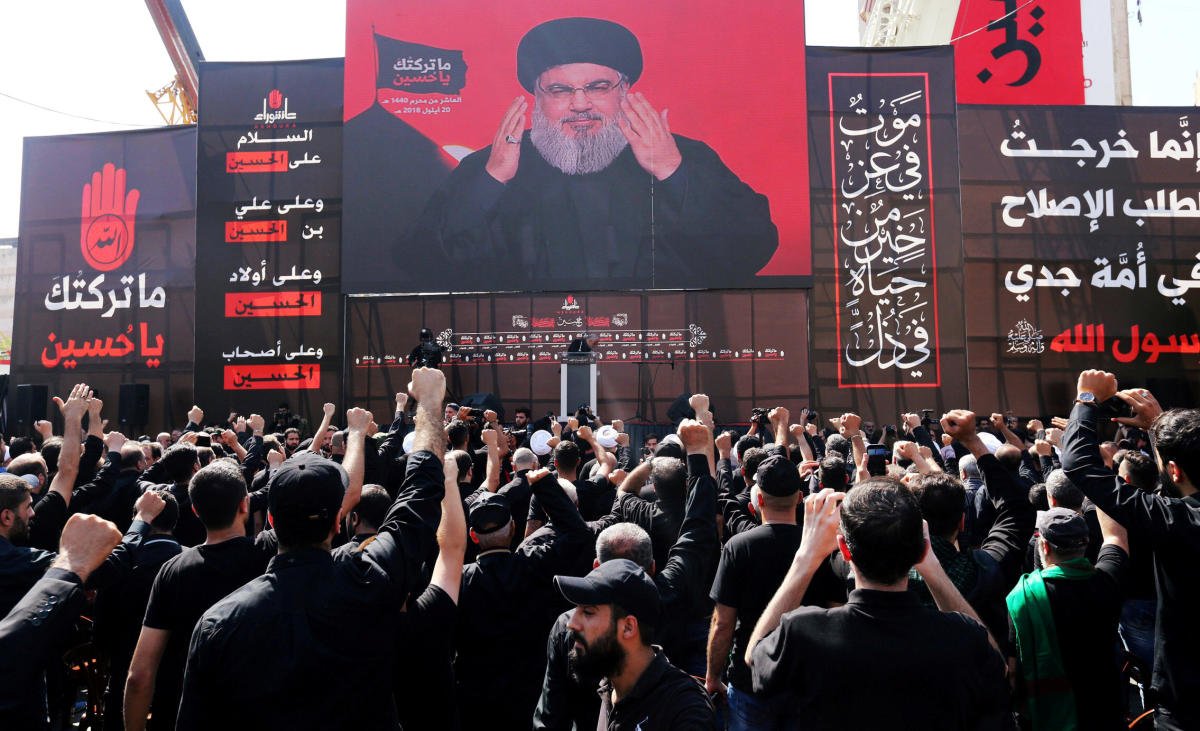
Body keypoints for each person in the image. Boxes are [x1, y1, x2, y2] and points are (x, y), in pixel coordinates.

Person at [409, 16, 778, 291]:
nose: (580, 104)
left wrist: (671, 170)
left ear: (625, 88)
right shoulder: (494, 165)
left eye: (598, 87)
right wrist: (490, 183)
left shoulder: (681, 157)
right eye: (560, 90)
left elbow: (753, 246)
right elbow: (422, 261)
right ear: (538, 97)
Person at [175, 368, 448, 730]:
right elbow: (420, 494)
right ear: (340, 520)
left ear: (269, 519)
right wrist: (428, 404)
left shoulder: (219, 623)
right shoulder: (371, 578)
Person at [746, 483, 1008, 729]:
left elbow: (754, 658)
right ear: (921, 548)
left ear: (844, 550)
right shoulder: (961, 636)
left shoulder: (804, 632)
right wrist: (933, 570)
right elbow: (998, 667)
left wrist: (805, 558)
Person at [1061, 370, 1200, 730]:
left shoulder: (1176, 519)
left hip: (1187, 701)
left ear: (1172, 469)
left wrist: (1087, 399)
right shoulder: (1177, 515)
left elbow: (1079, 464)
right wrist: (1161, 432)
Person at [124, 460, 267, 731]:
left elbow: (140, 674)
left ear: (195, 510)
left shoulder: (172, 571)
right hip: (253, 711)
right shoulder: (267, 555)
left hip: (182, 713)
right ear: (244, 505)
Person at [706, 455, 842, 729]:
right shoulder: (822, 545)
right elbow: (836, 612)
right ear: (800, 498)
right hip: (806, 682)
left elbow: (723, 623)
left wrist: (712, 677)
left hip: (750, 682)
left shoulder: (738, 547)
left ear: (760, 500)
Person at [556, 558, 719, 729]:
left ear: (628, 627)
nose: (571, 623)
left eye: (588, 612)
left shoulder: (685, 709)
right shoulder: (610, 685)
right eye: (577, 610)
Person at [1006, 507, 1129, 730]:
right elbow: (1115, 537)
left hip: (1051, 715)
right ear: (1087, 542)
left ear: (1043, 546)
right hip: (1105, 709)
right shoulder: (1108, 580)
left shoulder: (1023, 597)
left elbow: (1014, 671)